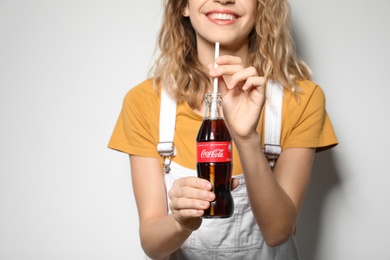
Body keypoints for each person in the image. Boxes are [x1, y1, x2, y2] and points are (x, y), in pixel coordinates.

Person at [108, 0, 338, 259]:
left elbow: (278, 232)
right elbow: (152, 244)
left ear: (261, 6)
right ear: (183, 6)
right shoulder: (144, 101)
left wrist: (246, 137)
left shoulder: (302, 99)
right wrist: (180, 223)